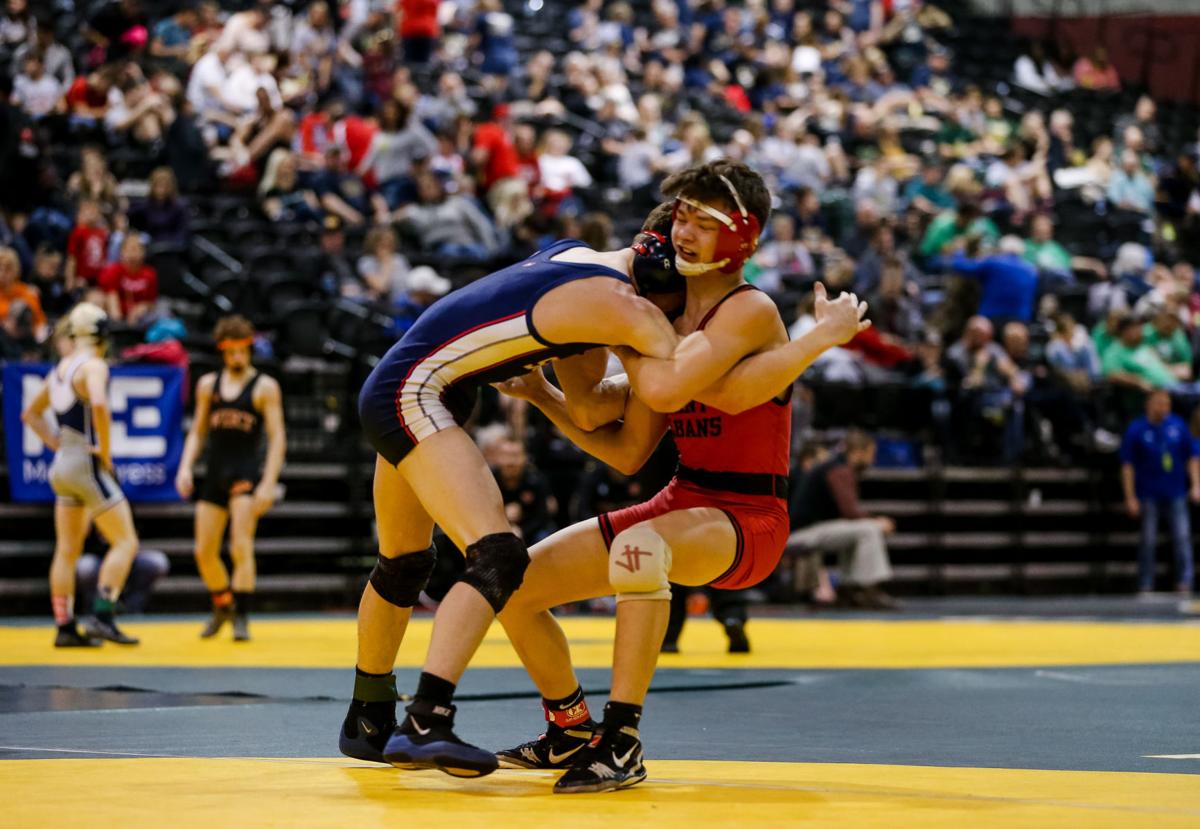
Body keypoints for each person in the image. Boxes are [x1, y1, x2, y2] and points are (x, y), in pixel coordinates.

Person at [481, 165, 868, 793]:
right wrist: (545, 394)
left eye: (702, 220)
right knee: (518, 582)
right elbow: (625, 447)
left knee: (638, 552)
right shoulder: (672, 322)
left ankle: (622, 739)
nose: (682, 230)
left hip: (747, 518)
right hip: (684, 500)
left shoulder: (748, 310)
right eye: (680, 214)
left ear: (741, 238)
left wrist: (620, 320)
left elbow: (658, 385)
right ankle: (570, 728)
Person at [337, 195, 689, 775]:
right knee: (498, 554)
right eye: (681, 300)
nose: (677, 314)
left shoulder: (576, 257)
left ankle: (368, 715)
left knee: (403, 562)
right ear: (659, 270)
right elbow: (692, 369)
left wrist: (568, 389)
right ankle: (427, 720)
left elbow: (587, 406)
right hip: (415, 394)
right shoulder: (625, 306)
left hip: (410, 384)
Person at [20, 304, 141, 646]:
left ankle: (64, 626)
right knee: (125, 541)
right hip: (86, 464)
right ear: (103, 335)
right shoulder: (93, 366)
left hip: (63, 465)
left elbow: (30, 414)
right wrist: (105, 450)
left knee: (67, 549)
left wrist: (57, 444)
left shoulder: (60, 369)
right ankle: (103, 615)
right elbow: (99, 405)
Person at [175, 316, 286, 641]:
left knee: (240, 546)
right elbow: (197, 431)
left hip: (245, 475)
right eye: (231, 352)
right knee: (204, 551)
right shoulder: (208, 385)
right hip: (215, 473)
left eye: (242, 351)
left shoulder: (265, 387)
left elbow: (277, 437)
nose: (237, 358)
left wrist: (268, 481)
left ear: (249, 349)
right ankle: (223, 603)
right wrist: (184, 467)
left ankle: (241, 616)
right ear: (223, 352)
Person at [786, 429, 898, 609]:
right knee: (869, 529)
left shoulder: (835, 467)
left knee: (856, 531)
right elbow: (850, 511)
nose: (873, 460)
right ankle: (867, 589)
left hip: (808, 530)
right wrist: (878, 522)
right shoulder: (838, 470)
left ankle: (849, 589)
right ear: (858, 452)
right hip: (800, 534)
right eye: (871, 453)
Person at [1120, 390, 1198, 596]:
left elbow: (1191, 457)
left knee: (1182, 537)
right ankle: (1146, 582)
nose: (1164, 408)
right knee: (1148, 540)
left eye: (1167, 404)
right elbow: (1127, 466)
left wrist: (1196, 485)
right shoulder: (1137, 429)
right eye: (1160, 404)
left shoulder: (1178, 426)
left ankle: (1185, 581)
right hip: (1148, 494)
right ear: (1149, 404)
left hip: (1176, 492)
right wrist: (1130, 497)